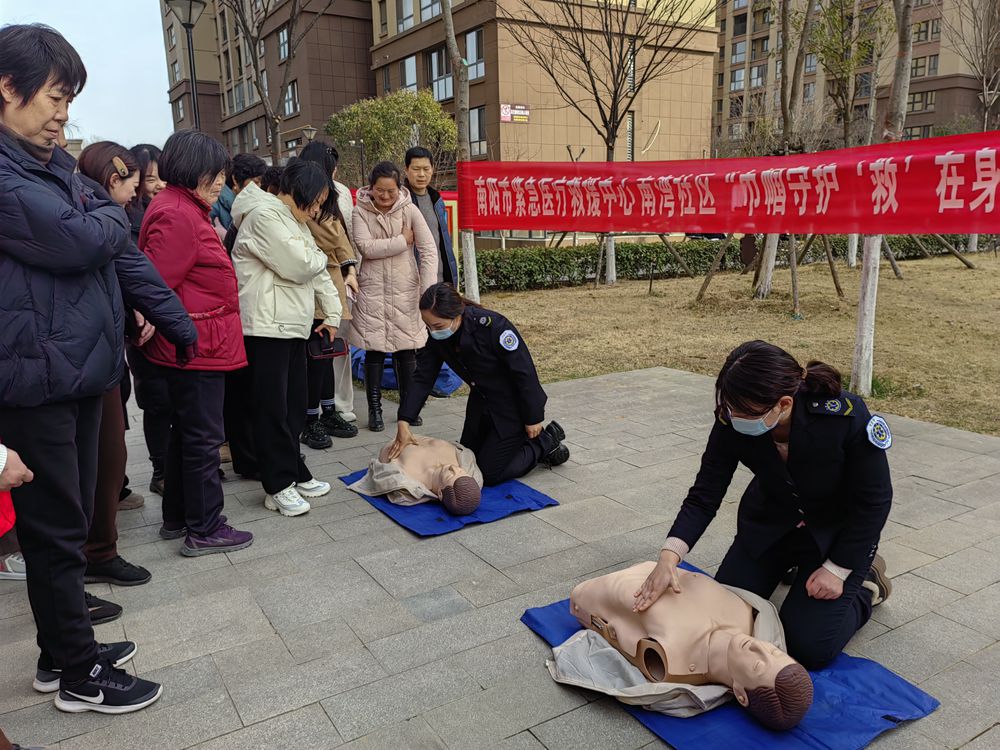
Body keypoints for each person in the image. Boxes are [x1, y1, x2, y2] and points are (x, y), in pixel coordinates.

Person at [0, 22, 162, 713]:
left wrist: (97, 212)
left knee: (58, 528)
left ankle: (57, 653)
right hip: (33, 380)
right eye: (55, 98)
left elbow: (96, 218)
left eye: (70, 101)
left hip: (60, 372)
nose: (64, 115)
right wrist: (105, 219)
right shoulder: (7, 178)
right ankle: (77, 674)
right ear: (7, 89)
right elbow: (80, 236)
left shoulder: (41, 165)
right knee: (57, 533)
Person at [634, 340, 894, 671]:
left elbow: (875, 501)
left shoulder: (844, 418)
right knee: (725, 618)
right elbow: (705, 493)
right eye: (729, 408)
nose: (733, 417)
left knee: (807, 646)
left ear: (783, 403)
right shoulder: (733, 416)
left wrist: (839, 569)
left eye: (743, 412)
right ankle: (789, 570)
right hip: (771, 525)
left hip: (834, 535)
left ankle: (866, 586)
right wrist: (669, 558)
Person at [76, 141, 197, 587]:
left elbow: (126, 280)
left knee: (109, 457)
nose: (139, 193)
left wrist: (142, 319)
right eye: (135, 183)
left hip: (102, 356)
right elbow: (132, 276)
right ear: (113, 180)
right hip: (72, 364)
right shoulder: (93, 222)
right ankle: (85, 561)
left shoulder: (108, 221)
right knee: (87, 465)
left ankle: (99, 551)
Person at [140, 129, 253, 555]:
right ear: (191, 171)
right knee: (204, 437)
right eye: (213, 172)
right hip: (196, 345)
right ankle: (205, 527)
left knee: (187, 433)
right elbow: (155, 285)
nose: (221, 180)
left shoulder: (178, 206)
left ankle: (178, 517)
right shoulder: (179, 214)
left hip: (194, 342)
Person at [570, 562, 813, 730]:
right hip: (655, 569)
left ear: (740, 693)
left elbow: (592, 607)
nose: (757, 647)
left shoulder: (675, 659)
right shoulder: (748, 615)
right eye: (773, 651)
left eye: (759, 665)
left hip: (602, 587)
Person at [231, 159, 342, 516]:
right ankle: (278, 484)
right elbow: (300, 265)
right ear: (298, 190)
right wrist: (315, 257)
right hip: (265, 326)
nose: (317, 208)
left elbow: (314, 270)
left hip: (292, 324)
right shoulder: (264, 216)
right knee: (271, 409)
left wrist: (334, 313)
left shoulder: (295, 222)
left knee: (293, 405)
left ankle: (292, 470)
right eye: (317, 199)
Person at [388, 283, 570, 484]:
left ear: (457, 315)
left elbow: (524, 372)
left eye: (437, 326)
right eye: (427, 325)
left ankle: (544, 442)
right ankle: (516, 443)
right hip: (481, 404)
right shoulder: (438, 338)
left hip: (511, 408)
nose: (432, 332)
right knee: (466, 460)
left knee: (488, 474)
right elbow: (422, 378)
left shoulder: (493, 327)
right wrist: (404, 421)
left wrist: (533, 417)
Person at [350, 161, 438, 431]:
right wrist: (402, 241)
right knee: (374, 351)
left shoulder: (409, 210)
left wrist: (427, 291)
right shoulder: (359, 211)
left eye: (390, 191)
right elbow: (366, 247)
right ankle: (375, 410)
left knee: (406, 351)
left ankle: (407, 408)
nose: (385, 196)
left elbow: (429, 250)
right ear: (370, 188)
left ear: (399, 188)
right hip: (372, 292)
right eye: (379, 190)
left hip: (405, 290)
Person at [298, 140, 359, 447]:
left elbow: (342, 239)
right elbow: (334, 234)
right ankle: (310, 419)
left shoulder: (329, 200)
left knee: (328, 352)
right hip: (314, 290)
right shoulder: (308, 203)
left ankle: (328, 410)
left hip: (332, 286)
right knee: (316, 358)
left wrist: (349, 268)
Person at [126, 143, 171, 497]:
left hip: (168, 319)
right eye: (150, 178)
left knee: (176, 397)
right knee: (155, 400)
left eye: (160, 177)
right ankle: (161, 470)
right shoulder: (125, 216)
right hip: (142, 325)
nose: (157, 185)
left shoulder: (166, 211)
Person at [349, 435, 483, 515]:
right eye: (460, 471)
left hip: (399, 442)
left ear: (441, 494)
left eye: (450, 475)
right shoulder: (468, 467)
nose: (454, 468)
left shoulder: (407, 479)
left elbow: (380, 471)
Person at [404, 146, 458, 286]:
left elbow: (444, 244)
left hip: (439, 280)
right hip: (412, 282)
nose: (421, 174)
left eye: (426, 169)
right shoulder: (400, 202)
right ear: (406, 169)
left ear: (432, 169)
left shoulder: (437, 201)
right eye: (416, 169)